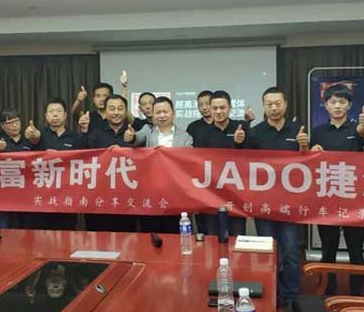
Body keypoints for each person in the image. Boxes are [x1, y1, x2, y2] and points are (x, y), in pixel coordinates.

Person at [243, 87, 309, 312]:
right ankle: (272, 295)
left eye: (277, 103)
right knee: (267, 253)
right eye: (269, 104)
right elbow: (243, 165)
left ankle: (291, 299)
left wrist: (304, 147)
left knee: (290, 252)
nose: (273, 108)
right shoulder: (256, 133)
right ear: (263, 106)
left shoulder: (298, 130)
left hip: (291, 204)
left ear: (285, 104)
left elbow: (308, 165)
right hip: (264, 204)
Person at [309, 83, 364, 296]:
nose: (337, 106)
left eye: (342, 102)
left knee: (356, 250)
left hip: (354, 198)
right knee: (328, 250)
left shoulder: (356, 128)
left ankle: (357, 294)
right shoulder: (318, 131)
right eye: (333, 102)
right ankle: (328, 291)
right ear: (325, 105)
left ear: (349, 105)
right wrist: (312, 150)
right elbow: (310, 161)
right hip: (328, 197)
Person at [126, 96, 193, 233]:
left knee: (173, 232)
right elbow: (136, 139)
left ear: (173, 113)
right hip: (151, 192)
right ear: (153, 115)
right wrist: (131, 137)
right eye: (158, 112)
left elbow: (189, 160)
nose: (162, 115)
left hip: (175, 192)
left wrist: (167, 153)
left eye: (165, 112)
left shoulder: (185, 137)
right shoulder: (147, 130)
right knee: (151, 232)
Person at [193, 90, 250, 236]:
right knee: (213, 237)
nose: (218, 112)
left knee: (236, 236)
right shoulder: (201, 133)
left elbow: (252, 158)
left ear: (230, 108)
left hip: (237, 194)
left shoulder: (242, 128)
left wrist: (239, 143)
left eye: (222, 108)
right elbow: (197, 163)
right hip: (212, 194)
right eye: (215, 108)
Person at [23, 98, 83, 230]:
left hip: (66, 196)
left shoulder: (76, 138)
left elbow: (83, 163)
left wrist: (59, 157)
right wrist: (33, 137)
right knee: (41, 236)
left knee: (66, 235)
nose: (55, 114)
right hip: (41, 196)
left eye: (58, 111)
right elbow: (26, 159)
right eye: (51, 111)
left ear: (65, 115)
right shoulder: (38, 135)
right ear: (46, 115)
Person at [79, 94, 136, 232]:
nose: (116, 112)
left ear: (126, 111)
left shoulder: (134, 135)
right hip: (99, 197)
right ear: (105, 111)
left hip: (127, 198)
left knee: (127, 239)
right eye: (112, 108)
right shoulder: (95, 134)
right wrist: (84, 132)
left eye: (120, 108)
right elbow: (83, 158)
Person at [0, 108, 35, 228]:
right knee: (2, 228)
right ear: (2, 126)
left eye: (17, 121)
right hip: (3, 193)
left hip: (26, 192)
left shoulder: (28, 139)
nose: (14, 125)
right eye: (10, 123)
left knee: (27, 229)